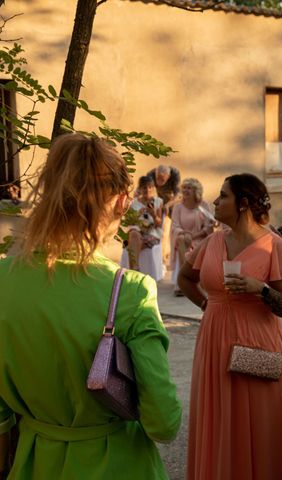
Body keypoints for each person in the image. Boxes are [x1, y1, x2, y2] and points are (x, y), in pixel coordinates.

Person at [0, 133, 181, 479]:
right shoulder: (130, 291)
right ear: (120, 202)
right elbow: (164, 422)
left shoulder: (3, 279)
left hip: (36, 463)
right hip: (120, 465)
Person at [178, 173, 282, 480]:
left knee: (259, 421)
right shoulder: (212, 242)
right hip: (213, 342)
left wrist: (260, 289)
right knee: (219, 419)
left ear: (243, 203)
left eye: (223, 196)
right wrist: (208, 304)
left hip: (257, 343)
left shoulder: (274, 246)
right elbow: (185, 278)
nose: (216, 201)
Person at [169, 178, 215, 295]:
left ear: (196, 191)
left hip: (201, 239)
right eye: (184, 188)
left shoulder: (203, 205)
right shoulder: (178, 207)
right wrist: (186, 234)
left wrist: (194, 236)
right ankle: (186, 280)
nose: (185, 190)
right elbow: (175, 226)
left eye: (189, 188)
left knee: (184, 240)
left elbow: (209, 226)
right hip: (183, 239)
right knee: (181, 239)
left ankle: (186, 281)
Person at [122, 175, 164, 280]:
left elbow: (159, 224)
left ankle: (133, 271)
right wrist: (137, 214)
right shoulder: (134, 203)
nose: (147, 190)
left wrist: (153, 214)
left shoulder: (158, 202)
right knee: (134, 233)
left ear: (154, 188)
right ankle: (135, 269)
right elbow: (128, 222)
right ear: (140, 189)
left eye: (150, 187)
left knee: (133, 241)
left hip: (152, 233)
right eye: (145, 187)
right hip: (137, 232)